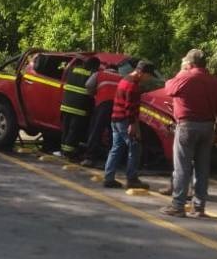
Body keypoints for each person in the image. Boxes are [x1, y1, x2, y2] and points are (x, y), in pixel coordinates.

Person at [159, 49, 217, 218]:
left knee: (182, 167)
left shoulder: (185, 77)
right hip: (207, 127)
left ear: (189, 64)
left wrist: (182, 71)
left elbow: (168, 88)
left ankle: (178, 205)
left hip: (187, 126)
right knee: (202, 168)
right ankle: (199, 207)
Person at [103, 60, 155, 190]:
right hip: (125, 120)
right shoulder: (133, 86)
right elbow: (130, 108)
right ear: (141, 72)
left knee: (116, 147)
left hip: (115, 118)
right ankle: (132, 178)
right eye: (149, 76)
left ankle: (108, 177)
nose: (149, 79)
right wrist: (133, 125)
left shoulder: (124, 80)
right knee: (135, 147)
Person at [60, 56, 100, 160]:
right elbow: (91, 89)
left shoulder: (72, 69)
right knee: (74, 131)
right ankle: (69, 153)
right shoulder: (92, 74)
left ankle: (63, 151)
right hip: (79, 108)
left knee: (66, 129)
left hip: (66, 105)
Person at [82, 64, 121, 167]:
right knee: (113, 133)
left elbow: (88, 85)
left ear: (107, 68)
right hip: (117, 106)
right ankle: (112, 161)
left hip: (102, 104)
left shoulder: (99, 74)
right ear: (116, 70)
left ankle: (90, 158)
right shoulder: (121, 77)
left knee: (96, 131)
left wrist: (93, 94)